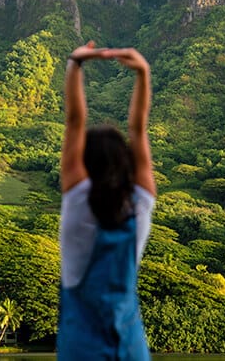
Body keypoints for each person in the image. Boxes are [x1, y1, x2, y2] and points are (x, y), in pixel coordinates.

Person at [57, 41, 156, 360]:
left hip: (81, 348)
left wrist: (75, 64)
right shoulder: (139, 206)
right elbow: (138, 130)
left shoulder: (77, 205)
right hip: (129, 348)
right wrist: (143, 72)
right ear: (127, 164)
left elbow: (74, 121)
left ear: (84, 165)